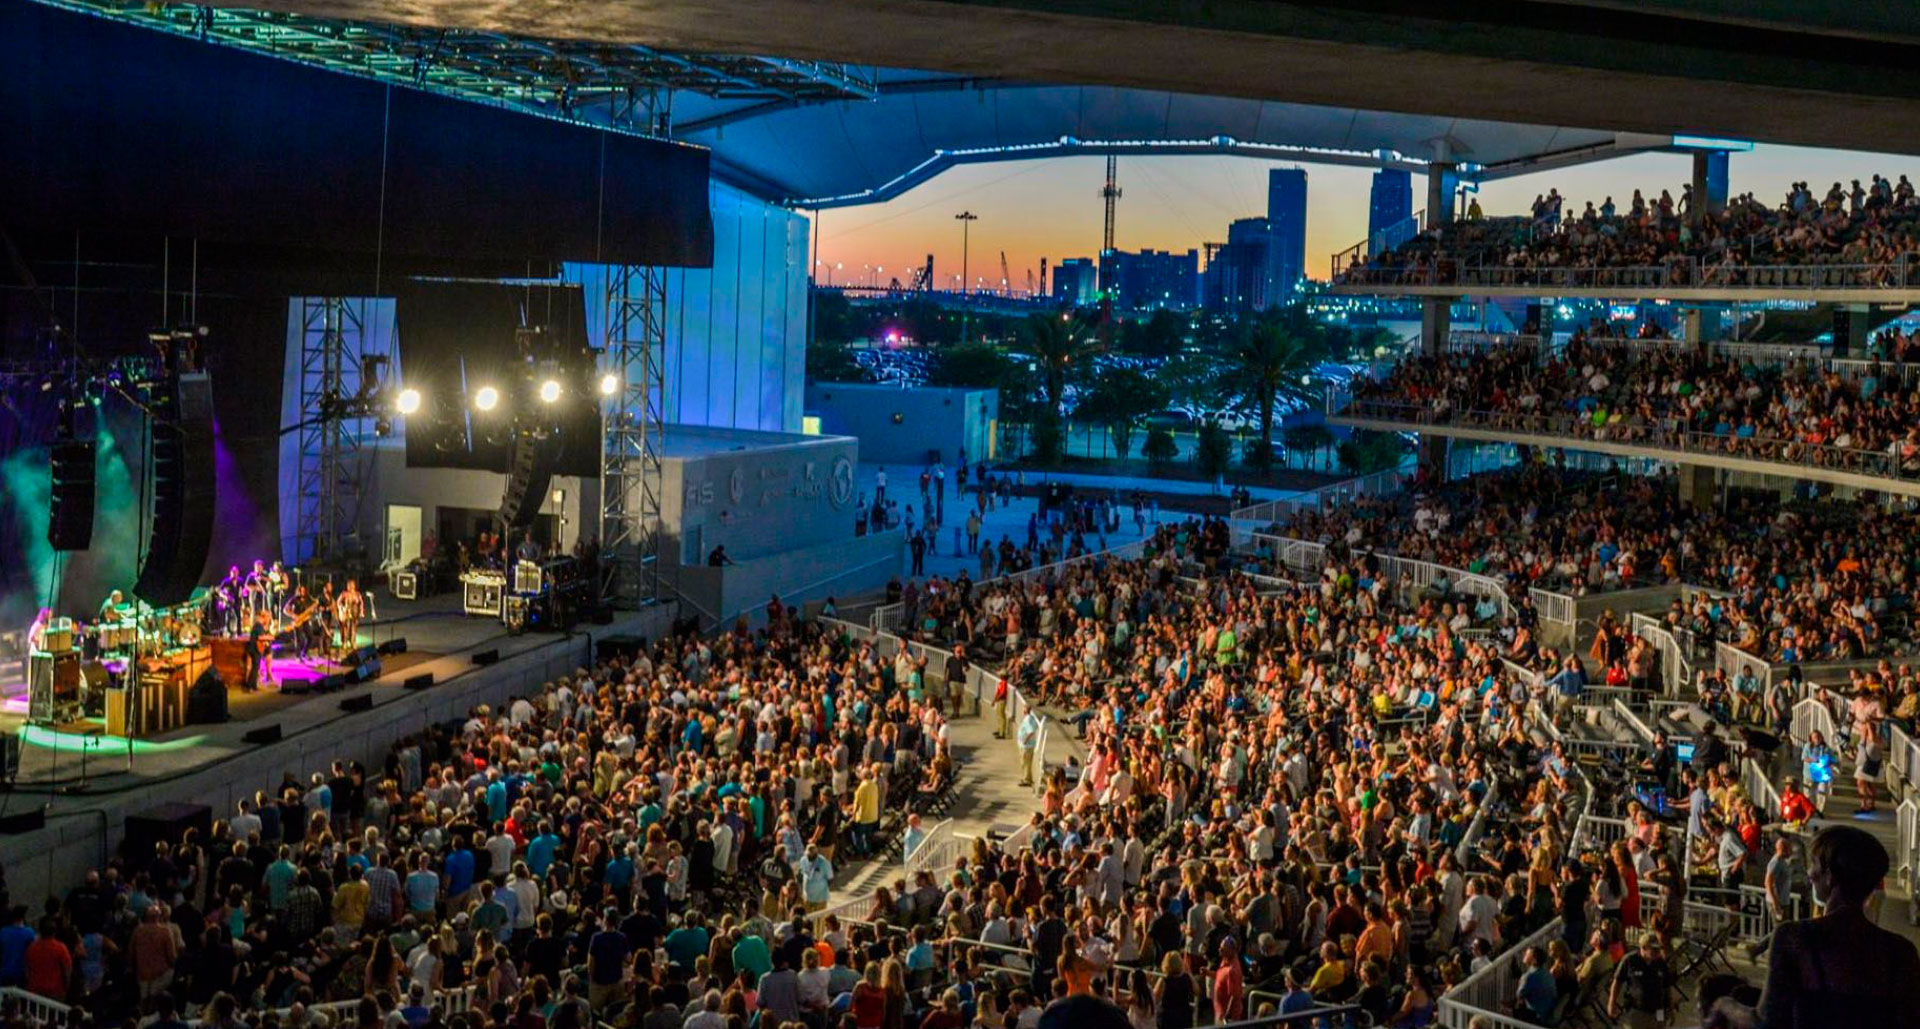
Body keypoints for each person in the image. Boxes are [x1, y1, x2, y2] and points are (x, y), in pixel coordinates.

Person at [1757, 825, 1920, 1027]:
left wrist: (1724, 1005)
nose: (1810, 873)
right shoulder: (1901, 952)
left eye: (1815, 864)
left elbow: (1768, 1020)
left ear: (1829, 876)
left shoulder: (1793, 938)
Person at [1609, 933, 1673, 1029]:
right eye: (1654, 949)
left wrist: (1670, 1009)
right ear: (1643, 948)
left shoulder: (1660, 963)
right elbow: (1617, 982)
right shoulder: (1630, 960)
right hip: (1637, 1010)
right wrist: (1611, 1003)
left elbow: (1667, 987)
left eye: (1658, 949)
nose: (1657, 952)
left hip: (1658, 1010)